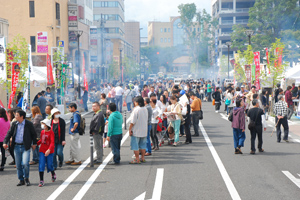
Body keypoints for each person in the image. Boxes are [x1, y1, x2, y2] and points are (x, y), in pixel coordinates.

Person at [3, 109, 37, 186]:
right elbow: (9, 134)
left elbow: (34, 134)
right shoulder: (14, 124)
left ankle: (26, 178)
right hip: (16, 146)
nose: (15, 116)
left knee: (25, 163)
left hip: (26, 146)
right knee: (18, 165)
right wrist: (5, 142)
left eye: (17, 115)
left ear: (22, 116)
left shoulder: (29, 124)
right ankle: (21, 180)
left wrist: (34, 143)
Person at [129, 96, 148, 164]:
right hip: (144, 130)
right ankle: (142, 158)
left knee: (135, 146)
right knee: (143, 145)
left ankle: (137, 159)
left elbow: (132, 122)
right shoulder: (145, 108)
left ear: (137, 102)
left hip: (136, 130)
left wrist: (130, 129)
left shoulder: (136, 110)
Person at [37, 119, 56, 187]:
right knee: (41, 165)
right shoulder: (42, 132)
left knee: (49, 165)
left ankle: (53, 173)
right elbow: (41, 140)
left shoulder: (51, 132)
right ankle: (41, 180)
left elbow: (52, 142)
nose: (42, 125)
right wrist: (35, 144)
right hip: (42, 150)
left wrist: (49, 150)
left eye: (43, 124)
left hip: (49, 152)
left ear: (47, 125)